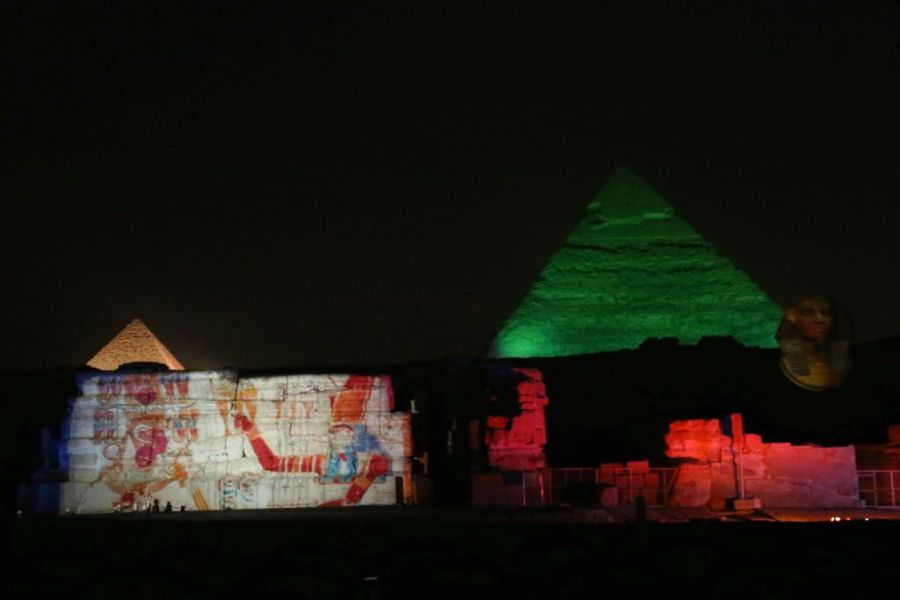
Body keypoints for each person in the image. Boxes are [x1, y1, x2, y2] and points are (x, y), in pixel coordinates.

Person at [776, 295, 851, 391]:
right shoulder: (789, 364)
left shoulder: (840, 363)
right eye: (808, 313)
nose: (820, 320)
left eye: (826, 313)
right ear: (792, 316)